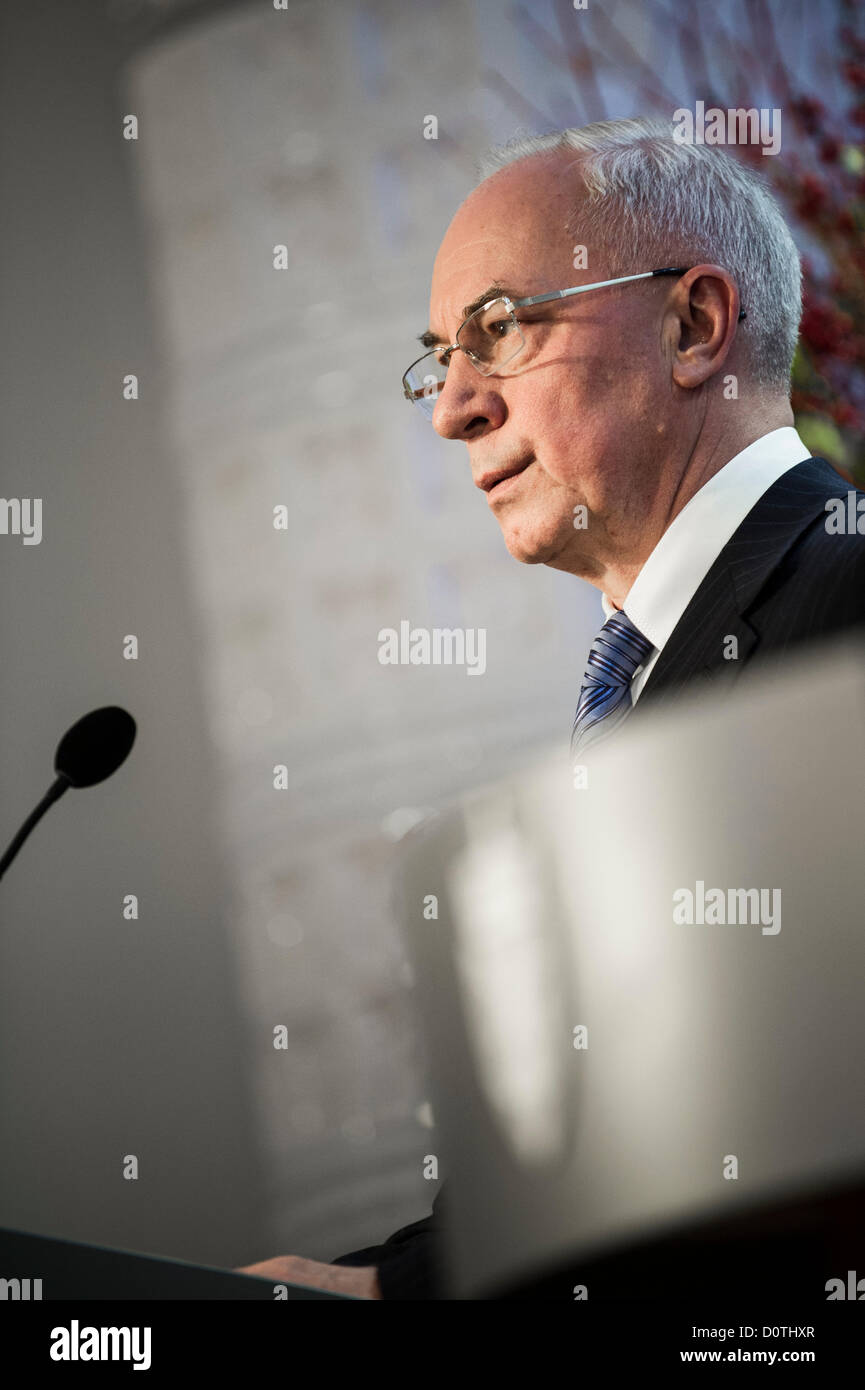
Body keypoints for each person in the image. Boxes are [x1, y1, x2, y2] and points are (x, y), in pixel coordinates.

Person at [238, 116, 865, 1298]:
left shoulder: (843, 616)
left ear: (692, 327)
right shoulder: (645, 681)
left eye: (499, 330)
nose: (451, 409)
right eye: (440, 355)